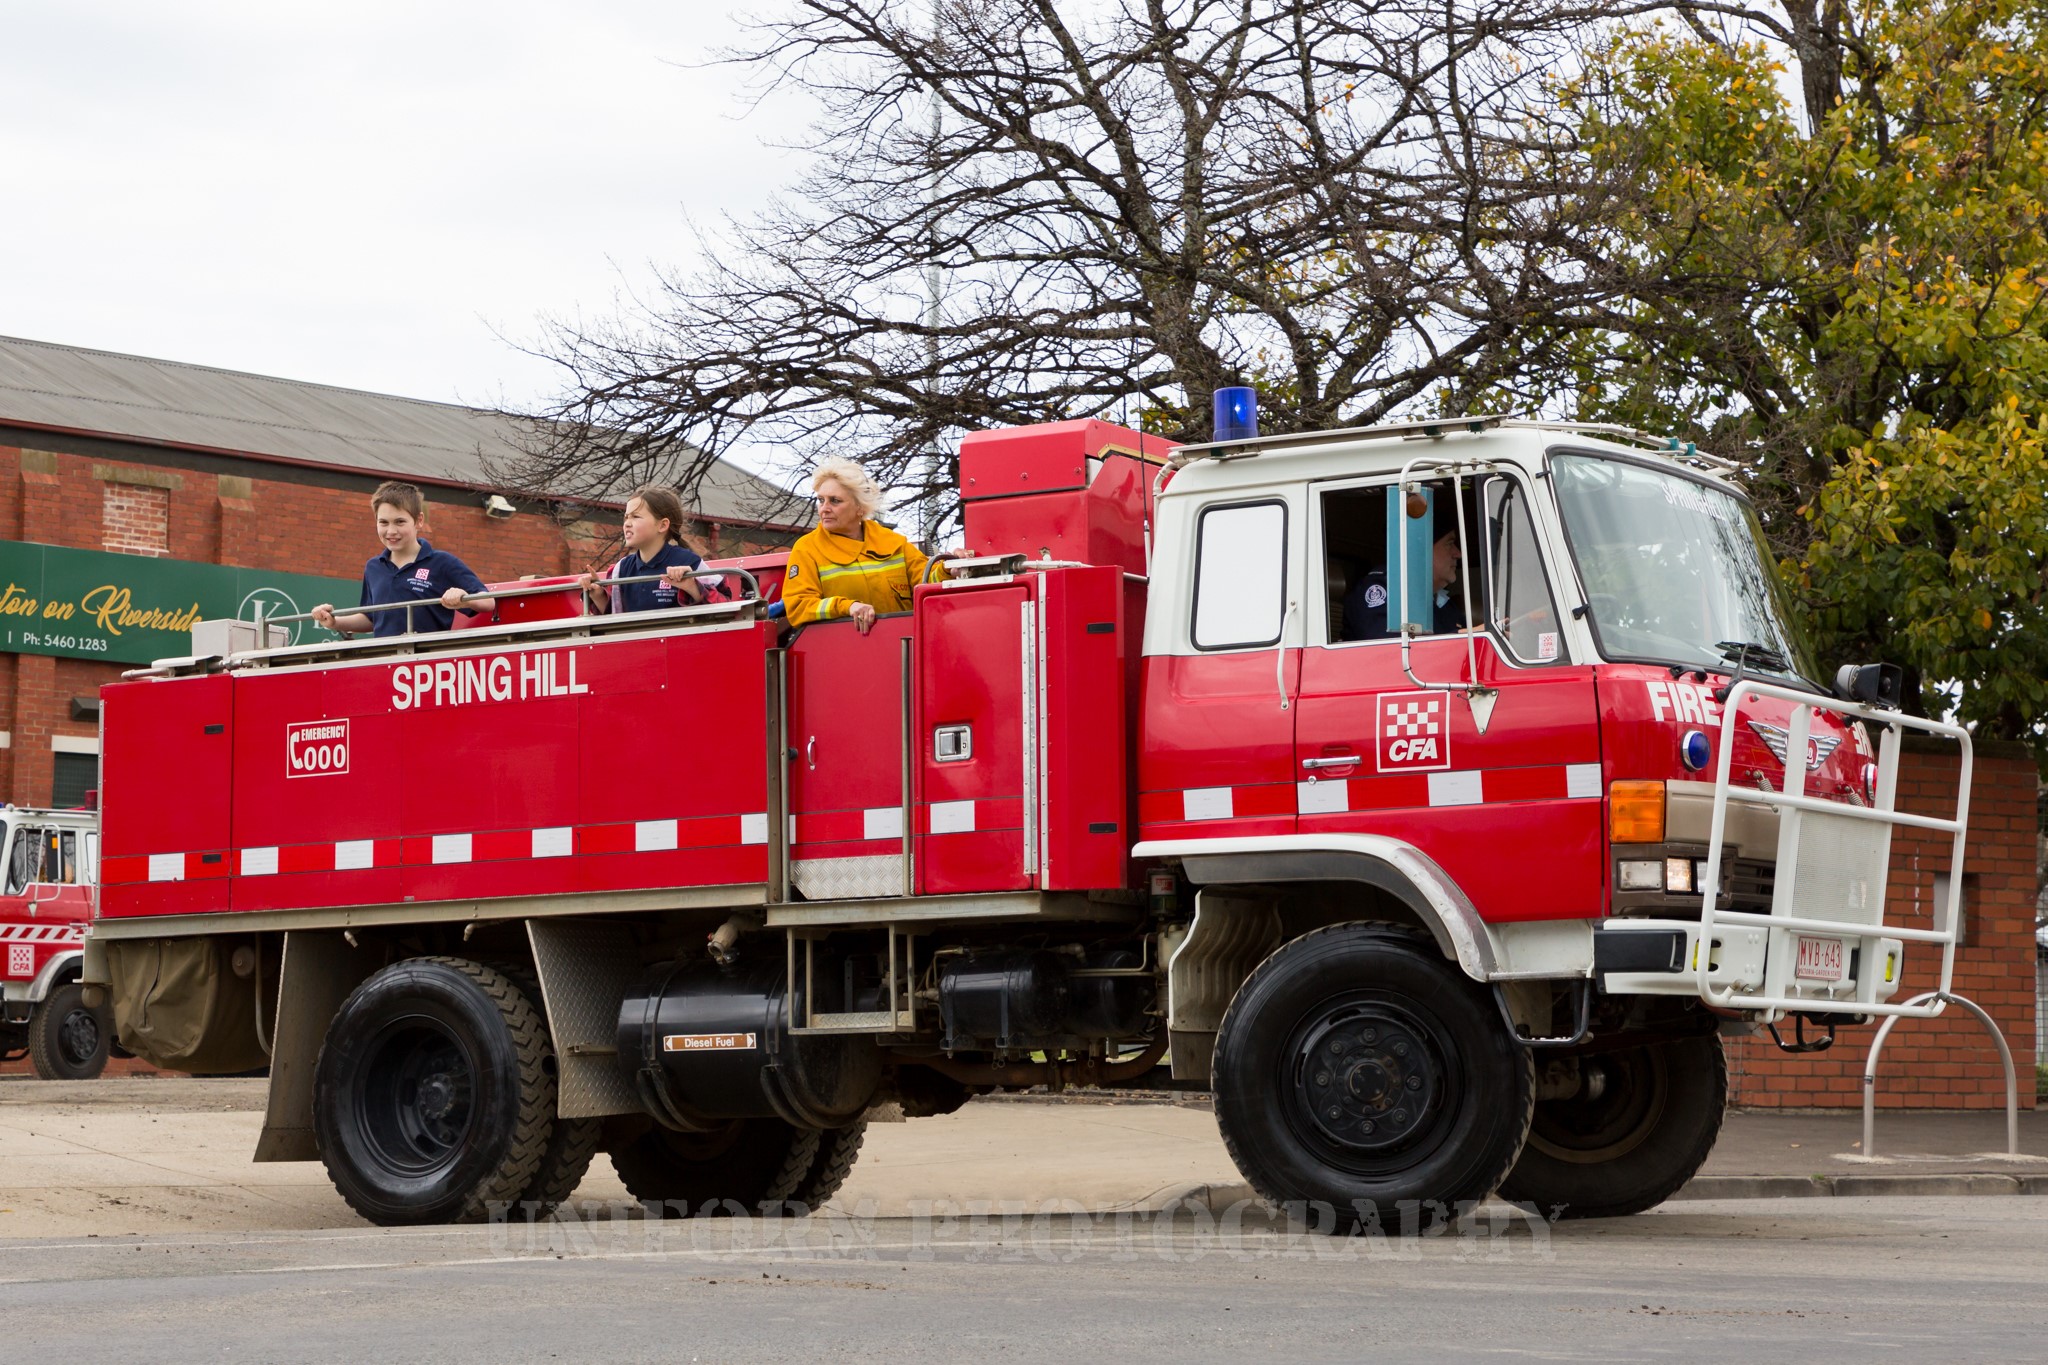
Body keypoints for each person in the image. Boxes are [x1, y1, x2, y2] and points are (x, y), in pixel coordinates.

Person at [782, 458, 952, 633]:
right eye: (820, 500)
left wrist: (949, 570)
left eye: (835, 501)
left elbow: (926, 583)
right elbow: (798, 607)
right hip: (843, 654)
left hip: (903, 649)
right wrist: (846, 607)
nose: (824, 508)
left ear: (860, 507)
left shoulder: (893, 542)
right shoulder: (807, 549)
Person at [313, 482, 493, 638]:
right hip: (385, 662)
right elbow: (371, 619)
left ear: (419, 521)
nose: (391, 531)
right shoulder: (373, 567)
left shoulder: (442, 562)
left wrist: (463, 598)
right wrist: (334, 621)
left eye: (399, 522)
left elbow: (488, 602)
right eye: (383, 522)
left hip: (428, 663)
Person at [579, 485, 707, 614]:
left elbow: (722, 608)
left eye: (635, 517)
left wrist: (692, 586)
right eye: (626, 517)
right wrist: (598, 595)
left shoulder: (690, 562)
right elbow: (613, 618)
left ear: (662, 525)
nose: (627, 523)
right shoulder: (620, 569)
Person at [1342, 526, 1465, 641]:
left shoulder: (1447, 606)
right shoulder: (1384, 588)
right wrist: (1463, 636)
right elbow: (1391, 650)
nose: (1458, 554)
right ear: (1422, 549)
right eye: (1449, 544)